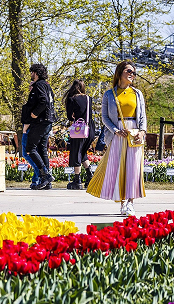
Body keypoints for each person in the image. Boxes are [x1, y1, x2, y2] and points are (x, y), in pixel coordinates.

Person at [86, 61, 146, 216]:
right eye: (129, 71)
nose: (132, 74)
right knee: (119, 168)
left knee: (133, 169)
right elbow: (105, 117)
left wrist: (142, 131)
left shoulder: (137, 93)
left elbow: (143, 116)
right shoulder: (109, 94)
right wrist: (115, 130)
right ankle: (121, 202)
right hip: (117, 134)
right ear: (120, 73)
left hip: (134, 134)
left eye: (134, 72)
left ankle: (130, 203)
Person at [23, 63, 57, 190]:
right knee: (42, 150)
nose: (31, 75)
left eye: (32, 72)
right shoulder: (47, 85)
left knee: (30, 148)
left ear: (36, 73)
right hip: (48, 121)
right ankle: (47, 182)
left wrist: (34, 113)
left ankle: (45, 175)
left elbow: (44, 101)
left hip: (41, 121)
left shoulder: (39, 85)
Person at [63, 80, 96, 189]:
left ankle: (77, 180)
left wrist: (72, 115)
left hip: (79, 129)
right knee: (82, 152)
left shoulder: (72, 99)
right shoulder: (88, 98)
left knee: (76, 151)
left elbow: (69, 116)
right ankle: (90, 175)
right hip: (90, 128)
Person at [21, 83, 41, 189]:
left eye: (31, 86)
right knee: (31, 154)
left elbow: (31, 115)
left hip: (29, 130)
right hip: (32, 129)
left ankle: (40, 174)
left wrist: (25, 128)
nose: (29, 88)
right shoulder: (34, 99)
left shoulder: (34, 100)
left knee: (27, 153)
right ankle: (37, 178)